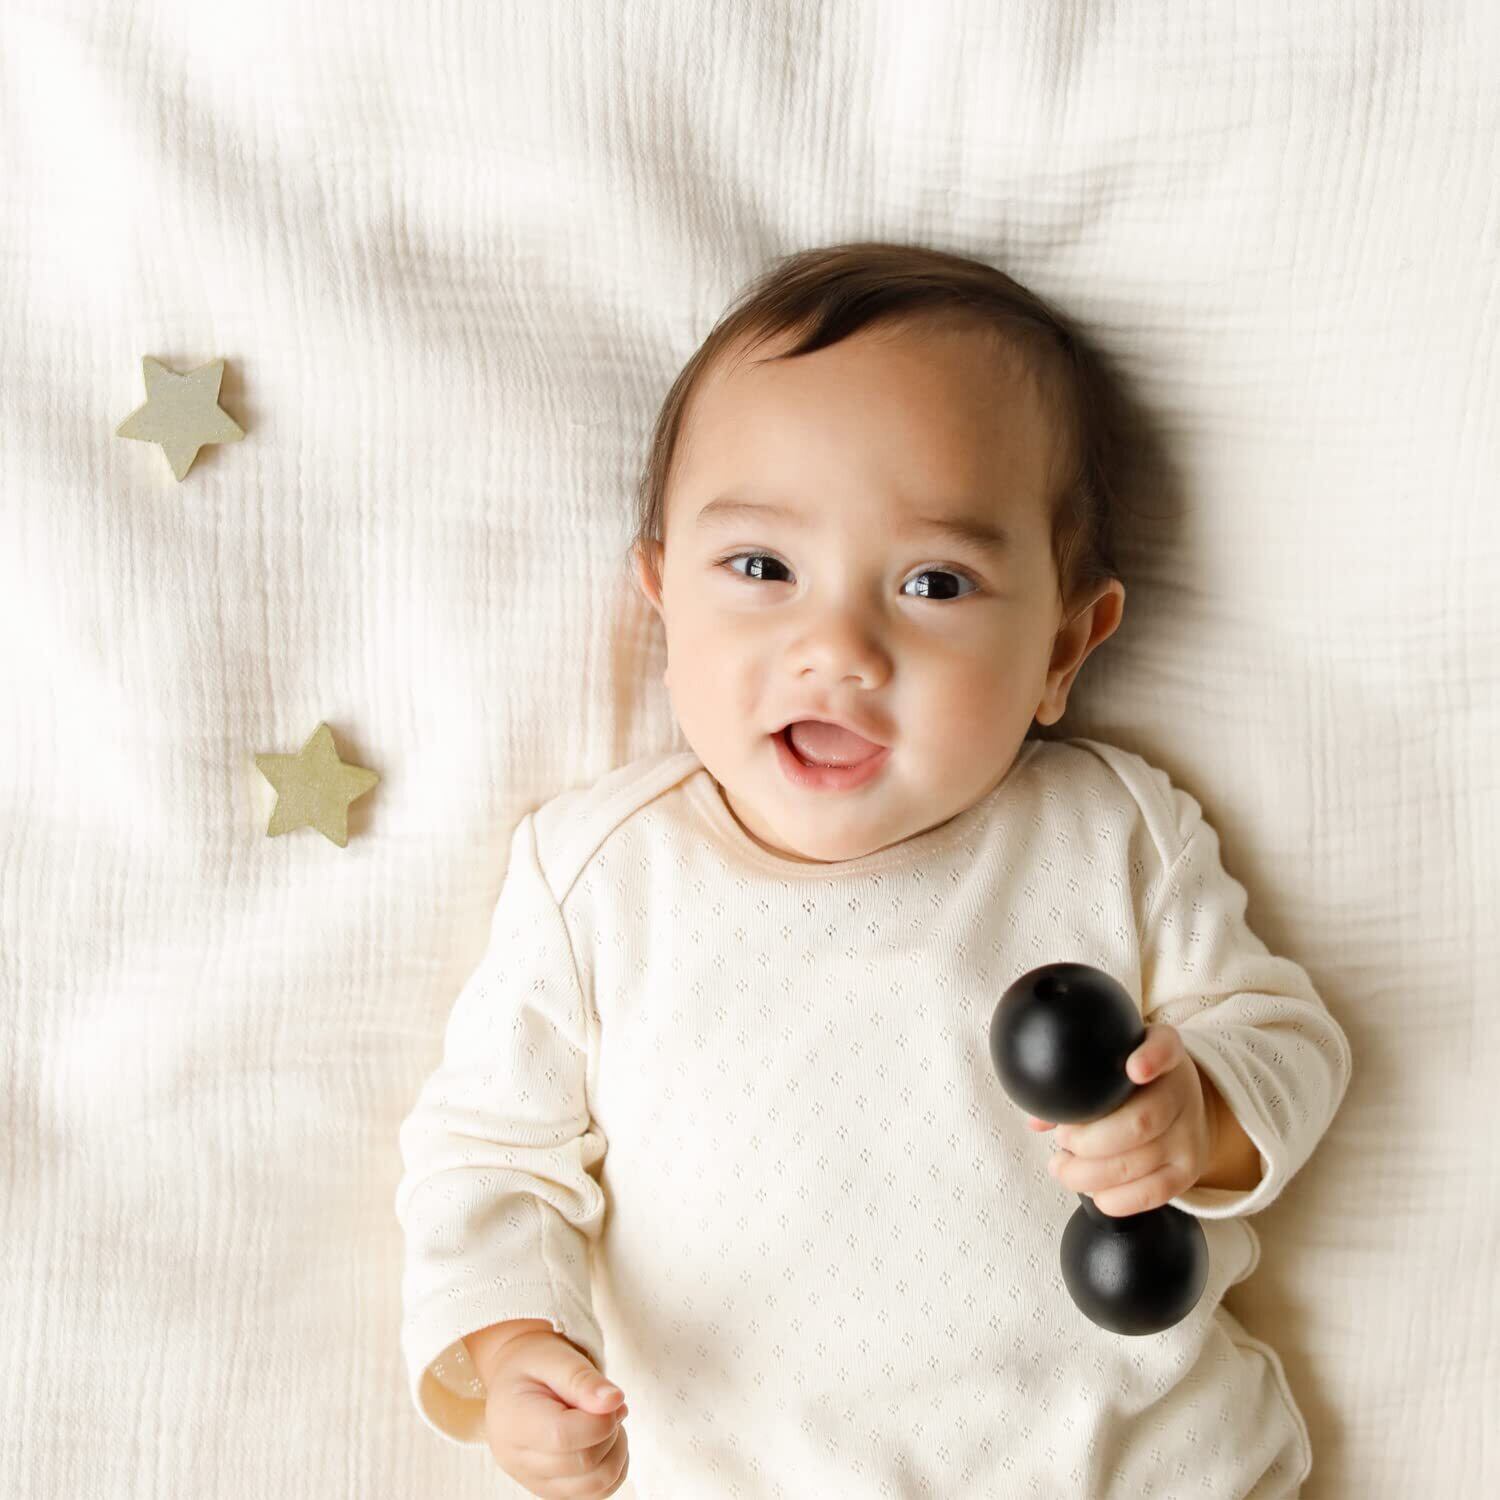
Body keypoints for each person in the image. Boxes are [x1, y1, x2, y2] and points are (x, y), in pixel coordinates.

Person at [394, 243, 1353, 1498]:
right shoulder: (603, 881)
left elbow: (1285, 1035)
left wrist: (1202, 1119)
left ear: (1064, 647)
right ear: (663, 601)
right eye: (762, 569)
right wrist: (517, 1345)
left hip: (1129, 1465)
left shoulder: (1107, 830)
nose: (838, 646)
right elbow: (489, 1157)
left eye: (934, 583)